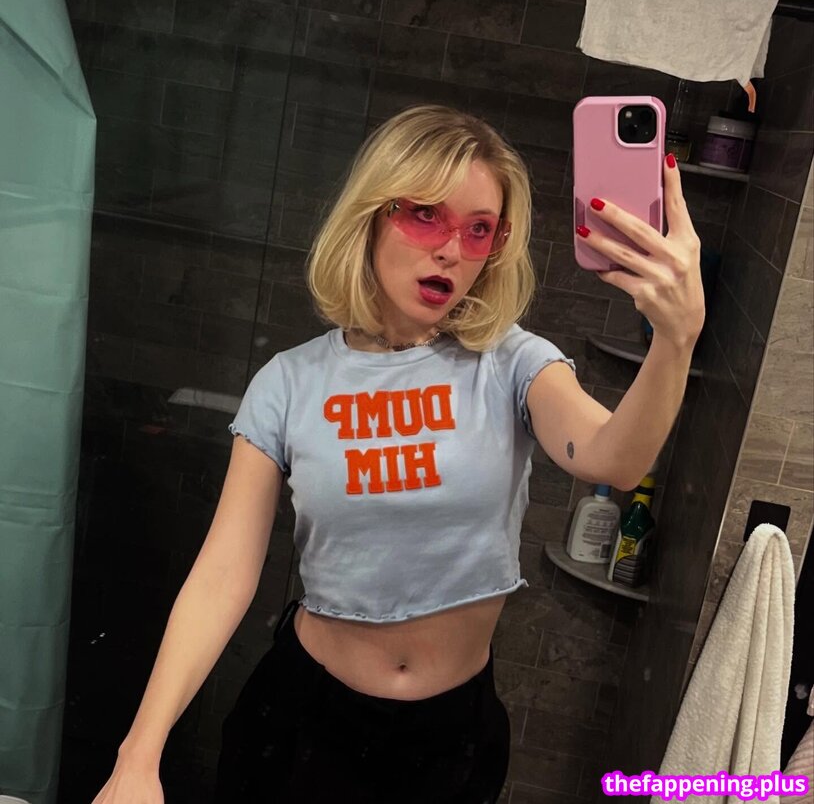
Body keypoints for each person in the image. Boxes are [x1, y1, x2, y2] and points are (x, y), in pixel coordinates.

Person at [92, 104, 705, 803]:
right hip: (299, 725)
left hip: (450, 743)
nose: (451, 250)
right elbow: (222, 575)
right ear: (373, 215)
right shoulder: (289, 382)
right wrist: (138, 756)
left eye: (479, 230)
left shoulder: (510, 362)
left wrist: (675, 339)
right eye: (426, 215)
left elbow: (613, 459)